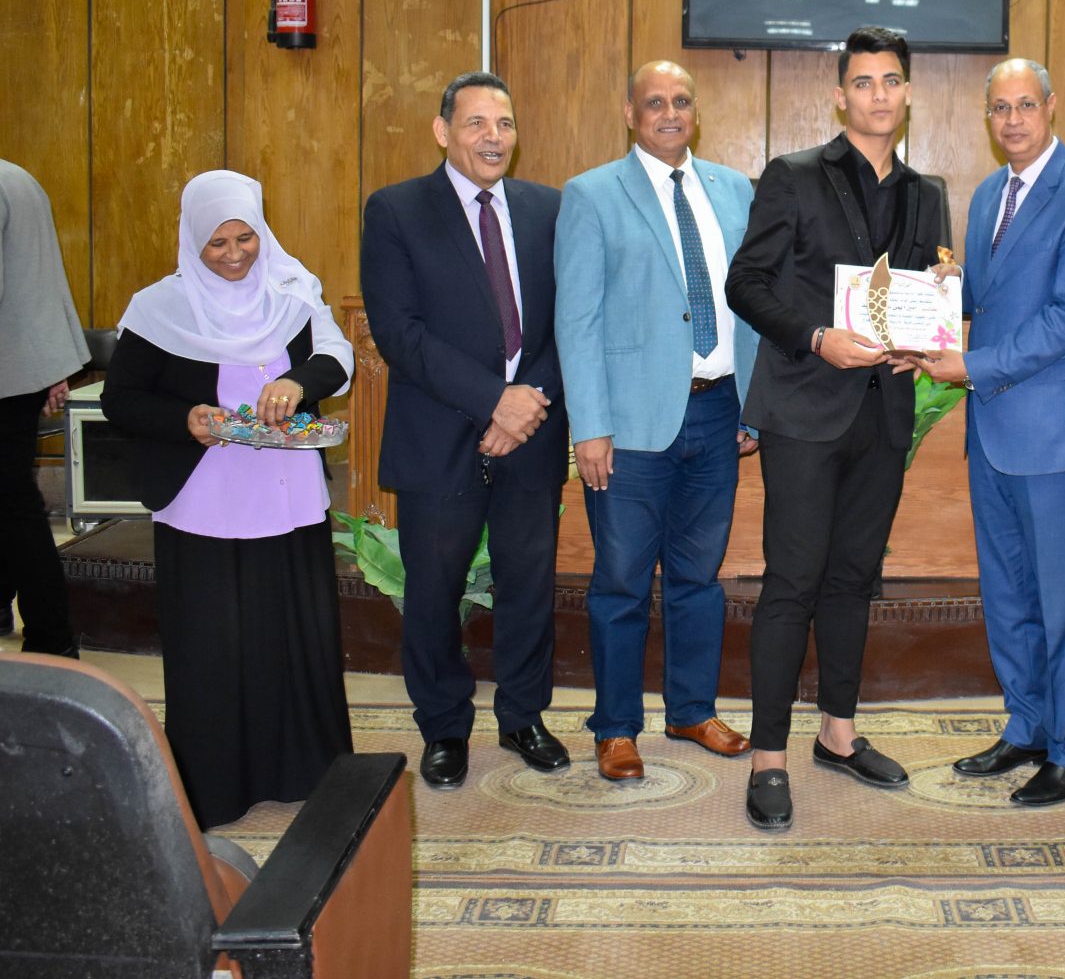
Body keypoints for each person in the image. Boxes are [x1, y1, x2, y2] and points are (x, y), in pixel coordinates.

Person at [725, 25, 949, 832]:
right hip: (804, 409)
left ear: (908, 93)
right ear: (840, 95)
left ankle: (838, 733)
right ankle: (769, 756)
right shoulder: (791, 175)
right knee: (792, 581)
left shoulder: (927, 193)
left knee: (855, 578)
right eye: (863, 82)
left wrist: (941, 299)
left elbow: (920, 290)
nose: (878, 95)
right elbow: (746, 283)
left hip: (884, 411)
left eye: (891, 80)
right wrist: (817, 336)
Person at [101, 170, 354, 827]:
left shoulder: (289, 291)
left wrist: (298, 383)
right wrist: (185, 418)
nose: (236, 254)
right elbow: (121, 400)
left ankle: (304, 771)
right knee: (213, 645)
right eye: (218, 243)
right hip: (204, 500)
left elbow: (336, 357)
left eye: (246, 237)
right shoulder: (158, 308)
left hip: (285, 497)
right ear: (192, 240)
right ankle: (216, 786)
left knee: (292, 638)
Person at [920, 58, 1065, 807]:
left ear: (1051, 105)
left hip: (1059, 434)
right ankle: (1028, 726)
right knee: (1008, 593)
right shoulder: (987, 195)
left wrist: (971, 365)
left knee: (1064, 602)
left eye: (1025, 105)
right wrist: (934, 297)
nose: (1013, 120)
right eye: (1000, 108)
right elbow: (986, 297)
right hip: (995, 431)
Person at [360, 72, 570, 791]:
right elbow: (399, 332)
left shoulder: (548, 209)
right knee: (433, 591)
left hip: (531, 433)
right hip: (439, 434)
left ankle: (523, 716)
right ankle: (444, 727)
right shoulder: (396, 210)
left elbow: (569, 320)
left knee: (528, 586)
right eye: (476, 122)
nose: (492, 137)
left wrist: (527, 403)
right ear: (442, 130)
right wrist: (493, 402)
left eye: (504, 123)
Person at [556, 61, 759, 781]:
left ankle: (691, 709)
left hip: (719, 410)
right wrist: (590, 425)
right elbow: (576, 319)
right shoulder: (591, 194)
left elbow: (755, 304)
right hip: (628, 424)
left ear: (695, 111)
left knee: (698, 577)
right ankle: (615, 727)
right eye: (654, 102)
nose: (669, 113)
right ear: (629, 113)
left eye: (681, 101)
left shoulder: (734, 190)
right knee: (620, 580)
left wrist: (755, 406)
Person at [0, 159, 88, 658]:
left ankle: (51, 639)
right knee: (10, 499)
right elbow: (38, 275)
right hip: (24, 364)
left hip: (7, 370)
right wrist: (53, 363)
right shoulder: (18, 176)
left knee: (13, 505)